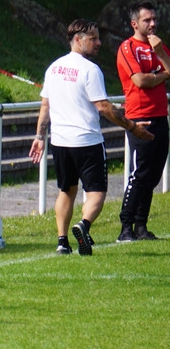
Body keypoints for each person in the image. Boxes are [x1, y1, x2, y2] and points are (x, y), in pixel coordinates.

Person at [29, 19, 154, 255]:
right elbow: (104, 107)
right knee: (97, 193)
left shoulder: (54, 68)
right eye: (93, 39)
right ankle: (83, 225)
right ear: (78, 40)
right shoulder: (90, 69)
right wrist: (132, 127)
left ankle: (62, 241)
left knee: (66, 191)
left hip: (60, 142)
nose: (98, 43)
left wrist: (39, 136)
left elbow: (45, 105)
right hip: (87, 141)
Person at [115, 1, 170, 242]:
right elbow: (139, 80)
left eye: (154, 19)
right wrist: (162, 75)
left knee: (153, 175)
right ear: (135, 24)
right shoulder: (128, 48)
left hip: (160, 116)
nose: (153, 24)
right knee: (139, 173)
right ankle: (125, 227)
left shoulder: (159, 47)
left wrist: (160, 55)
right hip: (140, 117)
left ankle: (141, 226)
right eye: (147, 20)